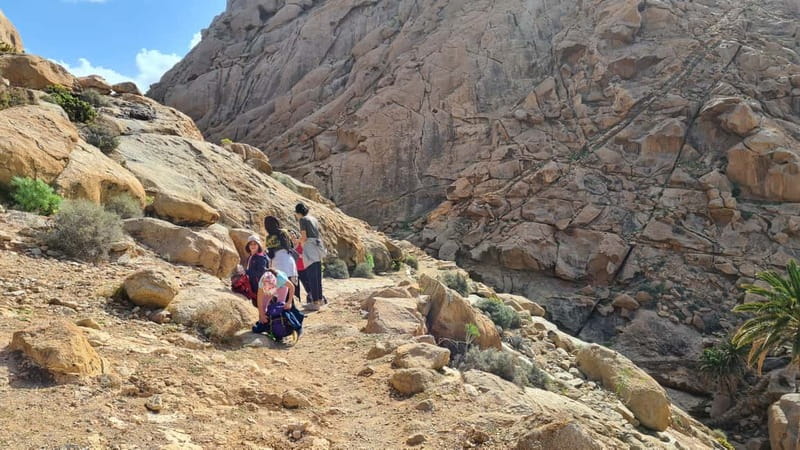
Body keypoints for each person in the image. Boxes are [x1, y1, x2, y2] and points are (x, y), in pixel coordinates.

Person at [252, 269, 304, 341]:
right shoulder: (262, 283)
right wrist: (261, 315)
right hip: (269, 287)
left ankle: (288, 329)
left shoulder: (281, 279)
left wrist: (289, 302)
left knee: (280, 307)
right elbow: (259, 300)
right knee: (263, 309)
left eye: (271, 288)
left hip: (282, 287)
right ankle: (272, 329)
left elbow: (292, 287)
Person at [295, 203, 326, 309]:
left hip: (310, 247)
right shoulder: (313, 219)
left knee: (312, 274)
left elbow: (304, 237)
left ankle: (315, 302)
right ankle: (320, 299)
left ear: (298, 212)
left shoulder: (303, 220)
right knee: (317, 274)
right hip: (317, 246)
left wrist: (298, 242)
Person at [264, 215, 299, 287]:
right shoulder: (284, 232)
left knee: (282, 288)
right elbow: (290, 246)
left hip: (277, 263)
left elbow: (271, 254)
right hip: (289, 260)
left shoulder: (269, 238)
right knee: (292, 287)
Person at [289, 230, 312, 304]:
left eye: (293, 234)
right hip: (294, 270)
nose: (292, 236)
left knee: (307, 285)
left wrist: (300, 256)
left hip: (303, 268)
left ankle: (311, 299)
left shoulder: (300, 243)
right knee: (295, 288)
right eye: (290, 235)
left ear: (296, 235)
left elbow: (306, 253)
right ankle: (297, 303)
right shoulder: (289, 247)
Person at [244, 235, 269, 302]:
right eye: (251, 244)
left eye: (255, 244)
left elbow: (261, 273)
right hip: (252, 284)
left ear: (258, 245)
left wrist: (246, 272)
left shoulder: (261, 258)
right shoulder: (250, 257)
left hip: (259, 286)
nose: (253, 246)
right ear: (248, 246)